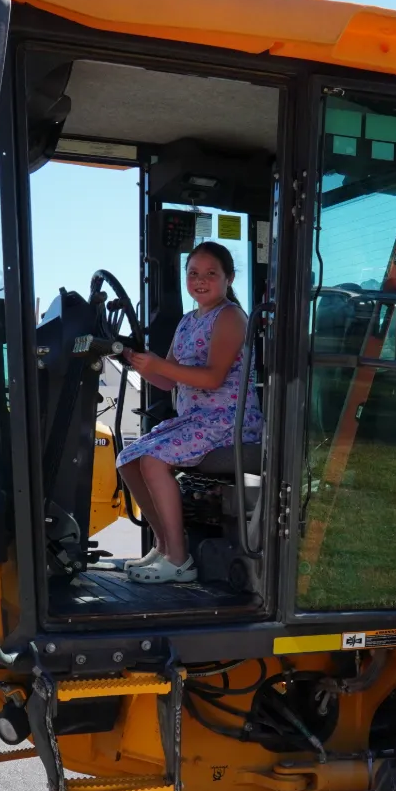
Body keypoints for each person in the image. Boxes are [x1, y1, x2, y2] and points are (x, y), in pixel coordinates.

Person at [117, 241, 262, 583]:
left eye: (210, 273)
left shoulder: (230, 316)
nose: (200, 280)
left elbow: (212, 378)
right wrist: (136, 362)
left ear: (229, 278)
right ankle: (165, 545)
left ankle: (180, 561)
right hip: (194, 420)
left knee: (153, 461)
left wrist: (158, 364)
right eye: (193, 273)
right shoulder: (186, 322)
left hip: (227, 421)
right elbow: (167, 380)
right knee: (128, 459)